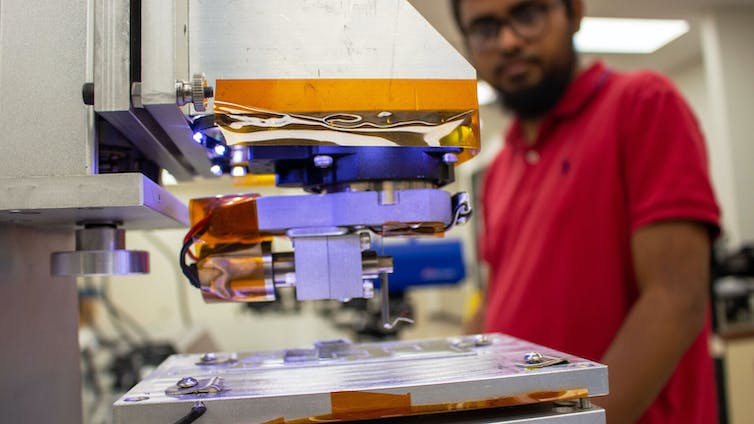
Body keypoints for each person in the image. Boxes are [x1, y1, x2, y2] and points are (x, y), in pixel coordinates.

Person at [451, 0, 721, 423]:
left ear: (574, 13)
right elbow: (499, 298)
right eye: (485, 28)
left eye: (527, 15)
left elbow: (676, 299)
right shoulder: (503, 165)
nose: (507, 42)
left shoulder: (644, 104)